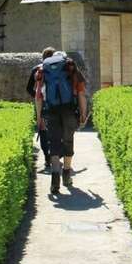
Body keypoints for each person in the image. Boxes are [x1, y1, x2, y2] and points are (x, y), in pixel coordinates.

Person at [35, 51, 88, 194]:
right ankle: (66, 175)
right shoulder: (71, 69)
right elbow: (82, 94)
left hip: (51, 111)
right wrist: (83, 114)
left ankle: (54, 181)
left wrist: (39, 117)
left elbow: (38, 97)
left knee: (54, 143)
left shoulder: (43, 70)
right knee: (68, 141)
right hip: (69, 111)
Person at [26, 47, 57, 171]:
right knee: (56, 130)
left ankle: (47, 158)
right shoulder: (58, 69)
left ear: (42, 57)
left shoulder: (37, 69)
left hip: (42, 104)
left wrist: (38, 96)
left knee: (43, 130)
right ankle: (55, 156)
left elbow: (28, 88)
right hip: (57, 104)